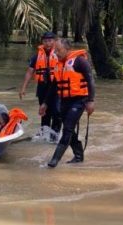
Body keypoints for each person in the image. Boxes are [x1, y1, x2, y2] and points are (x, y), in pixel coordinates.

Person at [39, 38, 95, 168]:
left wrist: (91, 101)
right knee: (69, 129)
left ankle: (54, 161)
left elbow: (90, 81)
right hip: (64, 101)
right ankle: (79, 156)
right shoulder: (59, 65)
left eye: (59, 50)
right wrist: (45, 103)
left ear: (67, 49)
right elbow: (54, 86)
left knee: (67, 129)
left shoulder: (80, 61)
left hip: (79, 101)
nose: (56, 53)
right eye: (55, 51)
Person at [19, 32, 61, 142]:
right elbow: (29, 72)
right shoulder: (37, 56)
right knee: (44, 111)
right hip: (42, 87)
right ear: (42, 42)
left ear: (54, 41)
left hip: (56, 86)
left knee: (57, 111)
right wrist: (23, 87)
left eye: (50, 40)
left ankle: (56, 134)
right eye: (45, 41)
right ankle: (45, 134)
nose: (48, 43)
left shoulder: (59, 54)